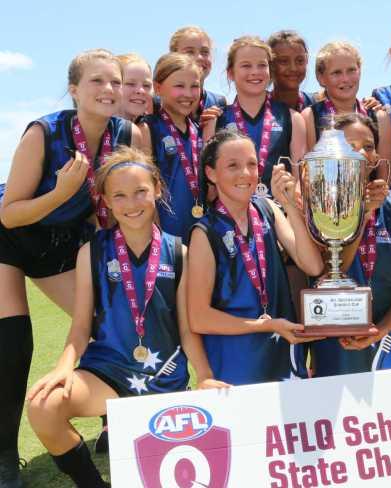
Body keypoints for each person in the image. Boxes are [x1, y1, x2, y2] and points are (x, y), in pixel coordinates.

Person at [26, 147, 226, 488]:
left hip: (163, 378)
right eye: (119, 195)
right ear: (105, 199)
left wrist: (204, 376)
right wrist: (63, 368)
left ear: (157, 191)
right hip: (108, 375)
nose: (131, 204)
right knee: (43, 407)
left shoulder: (179, 251)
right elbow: (80, 327)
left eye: (140, 192)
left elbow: (186, 329)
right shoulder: (92, 251)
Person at [0, 48, 140, 486]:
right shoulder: (45, 132)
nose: (109, 89)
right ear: (74, 89)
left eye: (115, 81)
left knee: (106, 324)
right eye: (97, 81)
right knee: (13, 341)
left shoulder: (125, 133)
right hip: (10, 235)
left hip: (61, 243)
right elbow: (10, 213)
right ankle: (4, 455)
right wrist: (62, 193)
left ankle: (113, 422)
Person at [187, 129, 324, 385]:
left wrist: (290, 206)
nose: (245, 174)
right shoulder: (204, 233)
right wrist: (267, 326)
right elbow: (199, 317)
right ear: (211, 173)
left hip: (281, 351)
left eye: (252, 164)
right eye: (232, 165)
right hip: (236, 360)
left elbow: (312, 265)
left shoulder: (268, 208)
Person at [309, 113, 391, 377]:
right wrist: (363, 215)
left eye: (369, 146)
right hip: (336, 339)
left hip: (388, 337)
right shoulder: (317, 208)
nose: (361, 153)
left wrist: (380, 330)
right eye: (350, 145)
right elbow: (330, 272)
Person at [204, 36, 306, 198]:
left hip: (279, 216)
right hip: (231, 218)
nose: (255, 72)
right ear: (231, 73)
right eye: (246, 65)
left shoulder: (293, 118)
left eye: (262, 65)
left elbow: (300, 182)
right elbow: (210, 188)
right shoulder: (216, 120)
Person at [139, 53, 204, 242]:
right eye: (179, 86)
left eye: (194, 86)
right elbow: (145, 189)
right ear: (158, 88)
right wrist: (157, 237)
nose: (188, 94)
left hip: (200, 234)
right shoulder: (147, 129)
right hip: (164, 237)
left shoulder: (200, 130)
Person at [301, 41, 391, 166]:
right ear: (321, 78)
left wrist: (379, 186)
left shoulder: (380, 118)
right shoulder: (310, 116)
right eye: (336, 72)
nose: (345, 79)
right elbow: (309, 173)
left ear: (359, 71)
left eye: (351, 70)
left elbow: (384, 174)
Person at [168, 25, 226, 122]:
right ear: (173, 56)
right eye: (189, 52)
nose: (199, 57)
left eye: (205, 52)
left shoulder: (218, 103)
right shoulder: (157, 104)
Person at [268, 30, 317, 111]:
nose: (293, 68)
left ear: (307, 61)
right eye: (284, 61)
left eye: (300, 61)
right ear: (270, 64)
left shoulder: (317, 107)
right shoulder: (258, 107)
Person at [116, 53, 154, 122]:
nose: (141, 90)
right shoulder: (94, 130)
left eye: (146, 85)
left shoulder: (155, 128)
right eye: (130, 84)